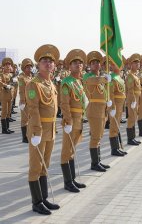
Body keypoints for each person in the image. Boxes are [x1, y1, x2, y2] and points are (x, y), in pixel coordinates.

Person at [26, 44, 60, 215]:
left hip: (51, 129)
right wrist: (37, 131)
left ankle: (44, 198)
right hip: (38, 131)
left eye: (51, 62)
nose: (48, 64)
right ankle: (36, 202)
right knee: (35, 166)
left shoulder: (50, 83)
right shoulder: (34, 84)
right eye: (44, 61)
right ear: (38, 65)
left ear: (54, 65)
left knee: (45, 165)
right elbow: (33, 109)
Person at [60, 49, 87, 193]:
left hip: (79, 119)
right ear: (69, 67)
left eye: (80, 63)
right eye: (75, 63)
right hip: (71, 121)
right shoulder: (67, 82)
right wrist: (68, 121)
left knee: (72, 150)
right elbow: (64, 104)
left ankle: (72, 179)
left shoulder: (78, 81)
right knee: (66, 151)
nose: (78, 65)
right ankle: (67, 182)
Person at [83, 51, 111, 172]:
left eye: (98, 63)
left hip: (102, 110)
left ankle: (98, 160)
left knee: (99, 136)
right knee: (95, 137)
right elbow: (94, 80)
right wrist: (104, 78)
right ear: (89, 65)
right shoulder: (88, 76)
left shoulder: (101, 79)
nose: (96, 65)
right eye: (93, 63)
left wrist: (107, 102)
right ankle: (94, 163)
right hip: (94, 110)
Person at [109, 61, 127, 156]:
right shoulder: (112, 78)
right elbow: (111, 94)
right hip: (115, 105)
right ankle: (114, 149)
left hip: (120, 105)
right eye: (116, 63)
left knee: (117, 126)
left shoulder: (119, 77)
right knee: (113, 127)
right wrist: (112, 107)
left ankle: (117, 147)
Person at [125, 53, 141, 145]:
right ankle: (130, 139)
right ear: (131, 64)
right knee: (131, 118)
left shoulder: (135, 75)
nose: (137, 64)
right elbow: (130, 90)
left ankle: (133, 137)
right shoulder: (130, 75)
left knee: (134, 117)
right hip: (132, 99)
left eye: (138, 63)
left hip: (136, 99)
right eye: (135, 63)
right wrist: (133, 101)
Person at [18, 58, 34, 143]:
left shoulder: (31, 76)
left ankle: (29, 134)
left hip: (31, 100)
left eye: (30, 66)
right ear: (24, 68)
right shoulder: (22, 78)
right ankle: (24, 137)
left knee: (30, 118)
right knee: (25, 119)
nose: (29, 68)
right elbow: (21, 90)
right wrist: (22, 101)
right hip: (25, 101)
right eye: (27, 67)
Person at [0, 57, 15, 134]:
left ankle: (7, 128)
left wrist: (14, 82)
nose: (8, 66)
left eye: (9, 65)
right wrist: (6, 85)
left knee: (9, 112)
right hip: (4, 95)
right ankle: (4, 129)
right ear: (3, 66)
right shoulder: (1, 75)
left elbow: (13, 84)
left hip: (10, 95)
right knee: (4, 112)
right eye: (6, 65)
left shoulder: (11, 75)